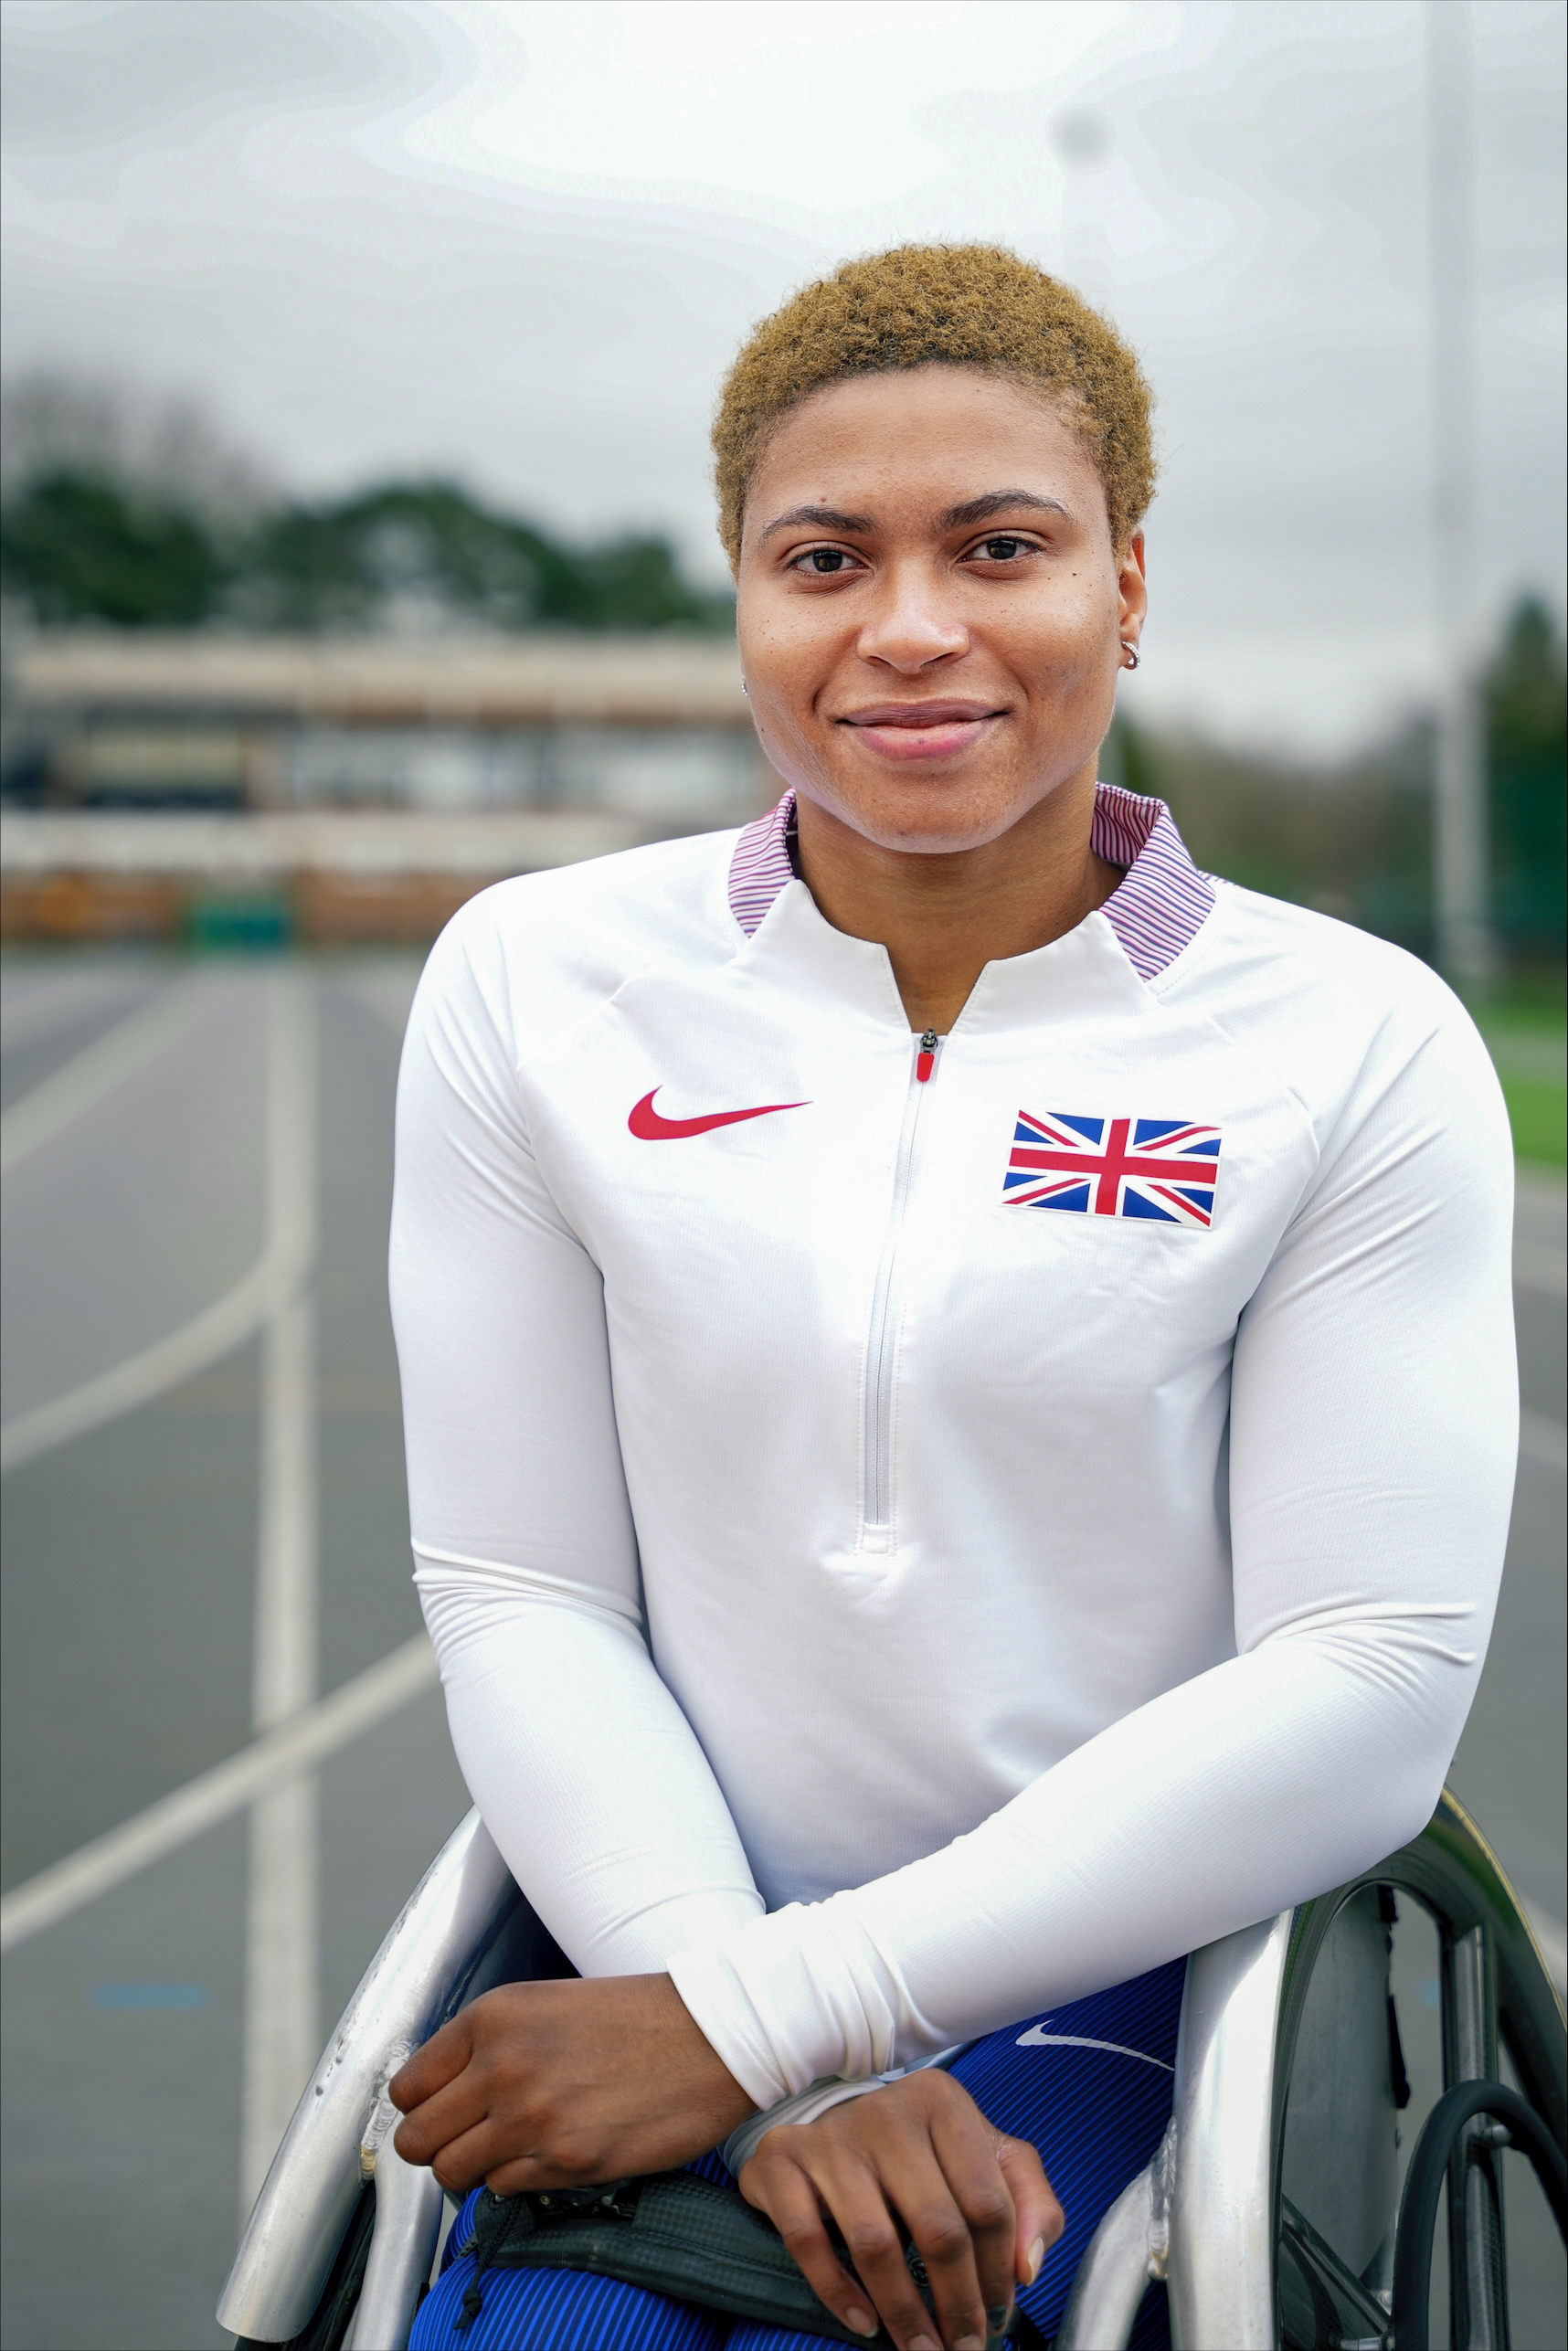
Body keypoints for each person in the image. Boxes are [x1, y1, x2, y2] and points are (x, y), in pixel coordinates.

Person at [386, 245, 1517, 2351]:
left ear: (1130, 587)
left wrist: (763, 2027)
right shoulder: (535, 982)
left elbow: (1369, 1671)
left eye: (1001, 547)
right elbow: (520, 1584)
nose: (912, 628)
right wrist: (724, 1990)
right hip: (659, 1909)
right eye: (825, 558)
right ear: (743, 593)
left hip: (1114, 1979)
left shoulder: (1354, 1039)